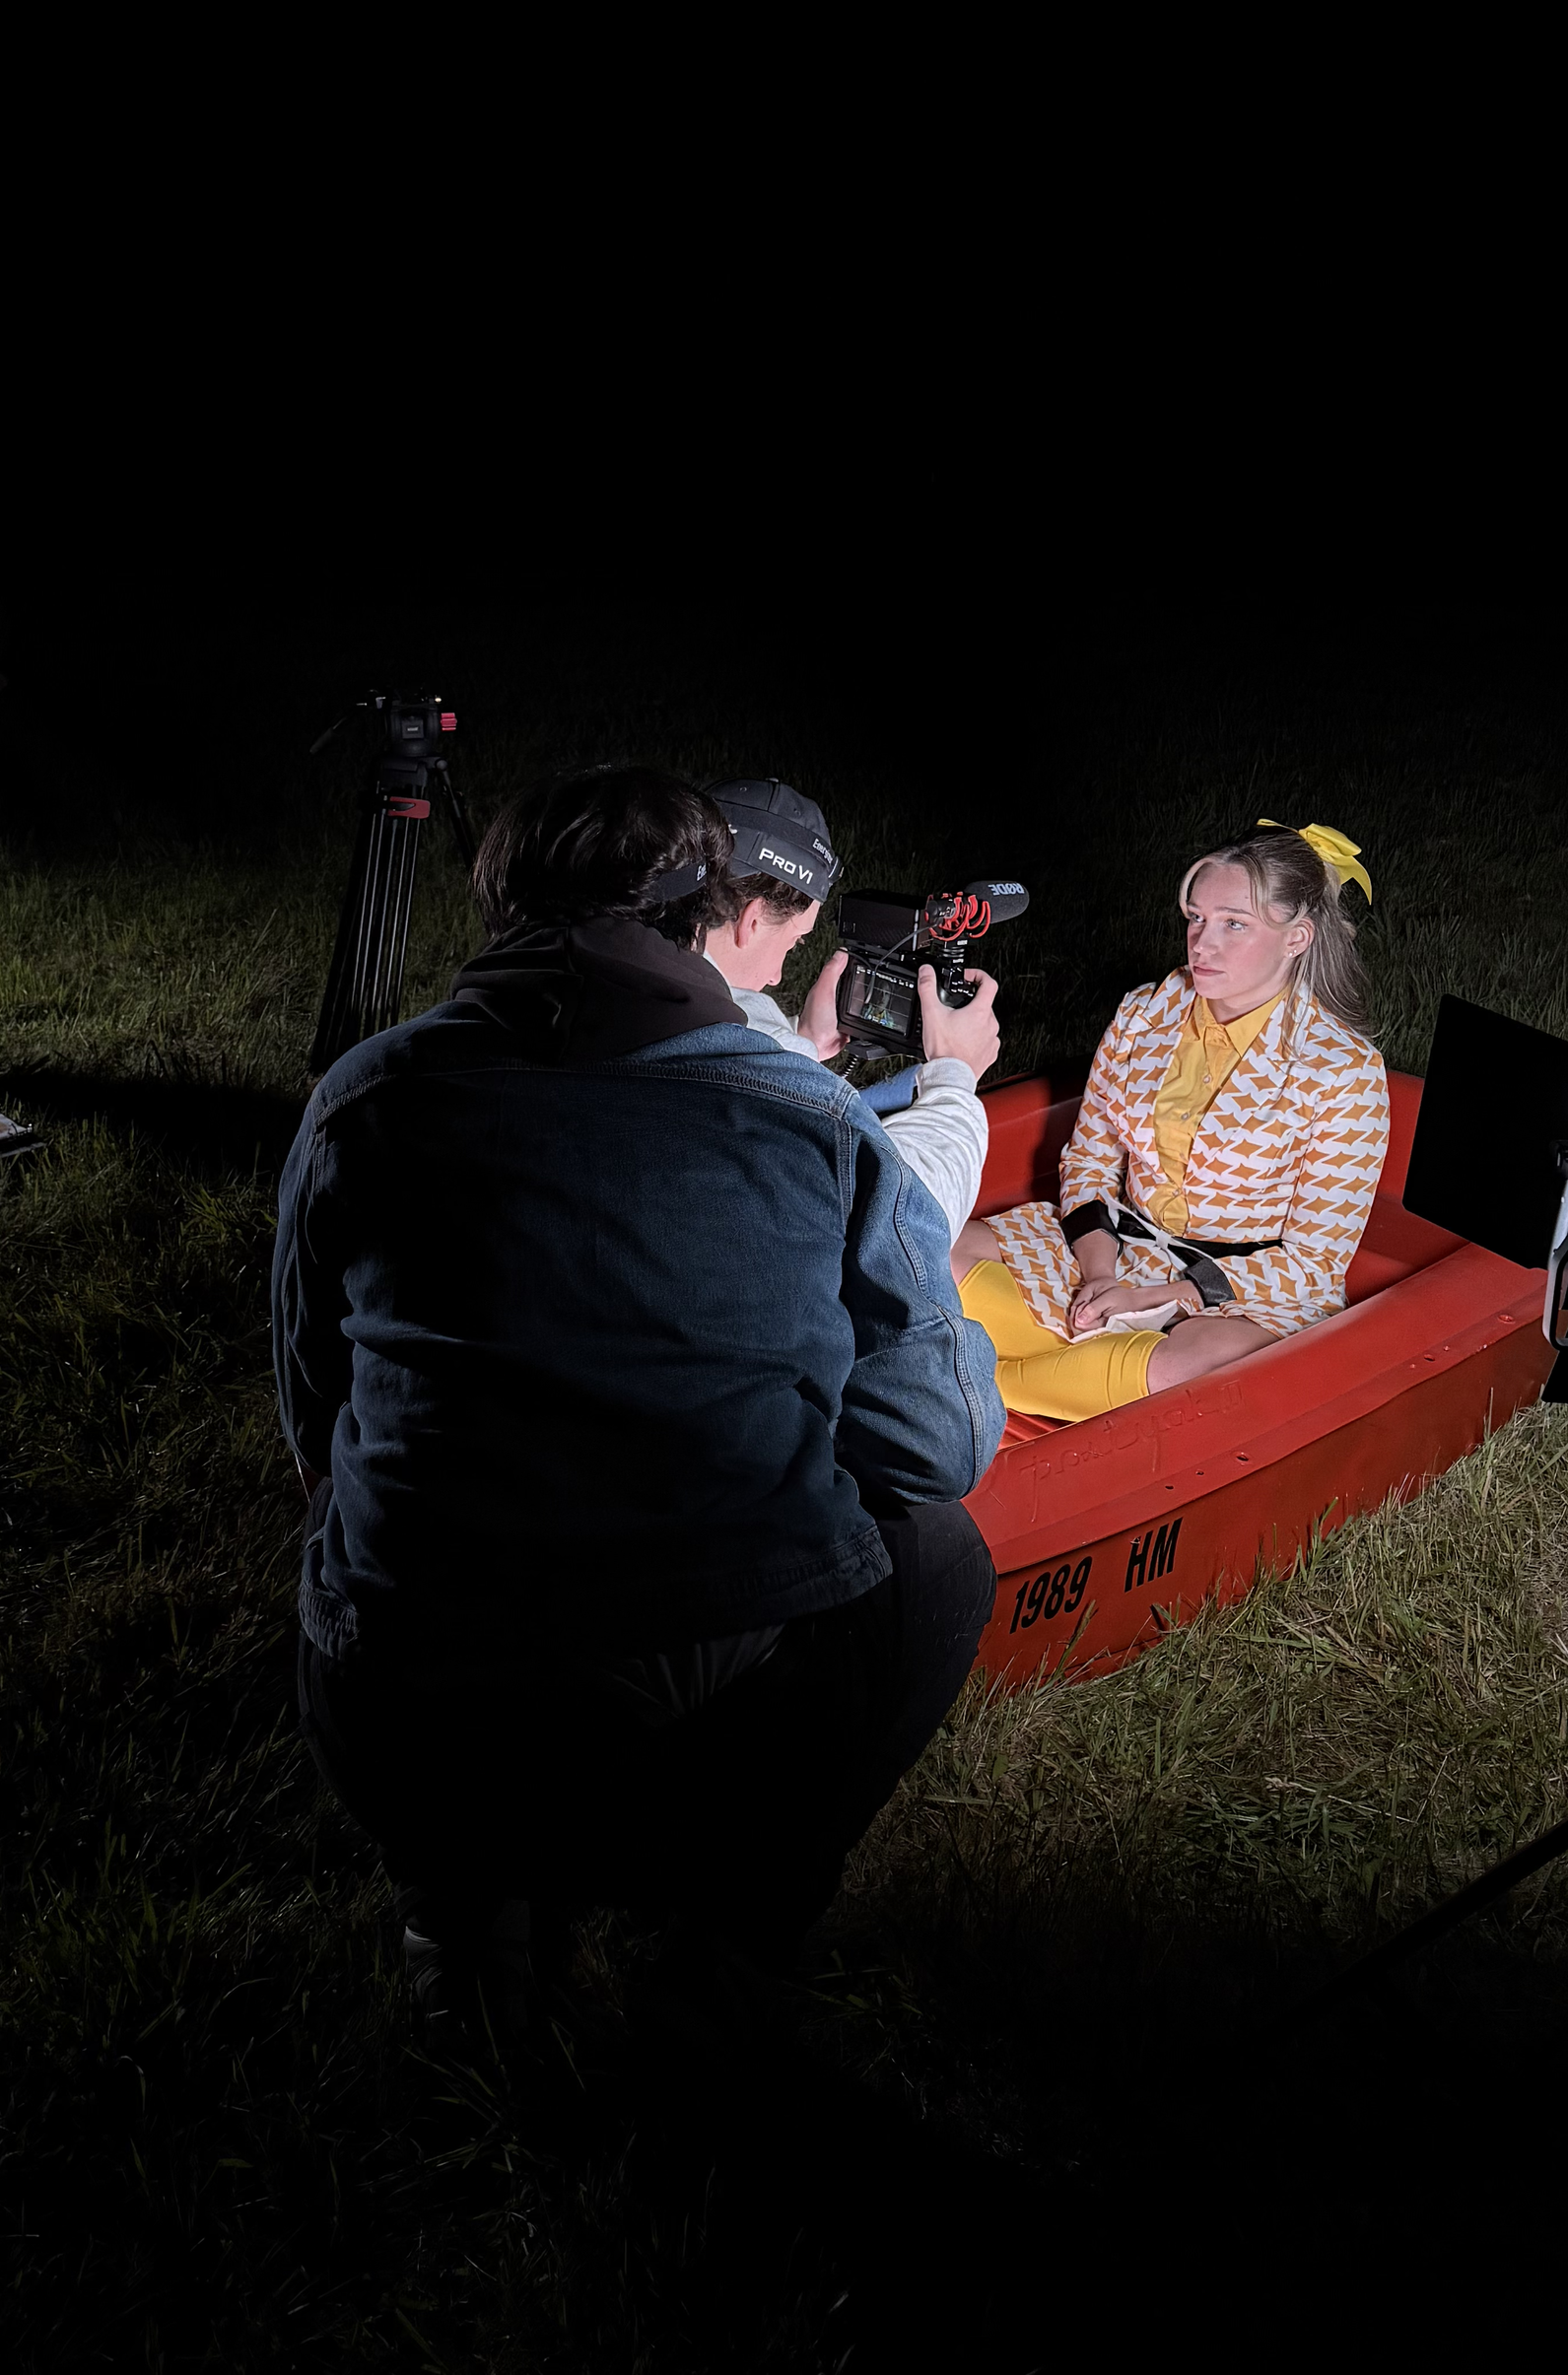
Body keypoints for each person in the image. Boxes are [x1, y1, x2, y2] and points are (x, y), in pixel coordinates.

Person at [271, 766, 1003, 2045]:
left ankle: (458, 1917)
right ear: (705, 910)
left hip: (401, 1715)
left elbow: (313, 1413)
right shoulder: (810, 1119)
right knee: (936, 1555)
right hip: (690, 1719)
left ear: (499, 903)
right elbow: (936, 1441)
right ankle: (738, 1927)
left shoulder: (366, 1097)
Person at [952, 823, 1389, 1421]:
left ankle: (979, 1386)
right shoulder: (1144, 1012)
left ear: (1298, 938)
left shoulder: (1344, 1069)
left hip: (1245, 1292)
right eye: (1197, 919)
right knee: (933, 1247)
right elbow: (1089, 1161)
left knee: (1199, 1366)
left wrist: (1161, 1297)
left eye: (1235, 923)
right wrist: (1099, 1273)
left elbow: (1313, 1263)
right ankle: (1082, 1366)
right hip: (1120, 1243)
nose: (1203, 944)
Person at [699, 777, 1000, 1242]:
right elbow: (906, 1220)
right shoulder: (750, 1053)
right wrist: (956, 1074)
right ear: (752, 919)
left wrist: (804, 1045)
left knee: (896, 1090)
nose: (778, 977)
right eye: (795, 943)